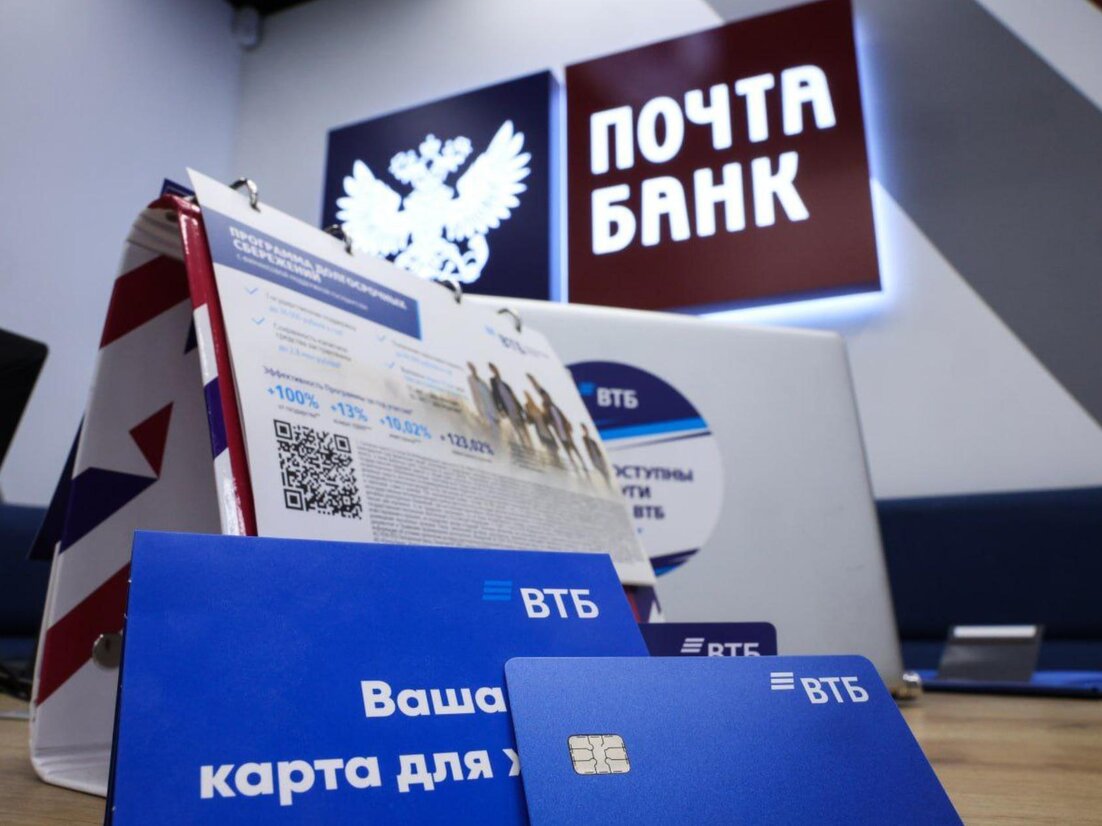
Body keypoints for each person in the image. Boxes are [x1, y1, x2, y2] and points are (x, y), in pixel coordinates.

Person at [539, 387, 586, 474]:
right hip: (559, 433)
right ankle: (576, 469)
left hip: (565, 430)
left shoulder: (554, 406)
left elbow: (563, 416)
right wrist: (547, 413)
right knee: (568, 451)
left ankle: (583, 465)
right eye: (544, 397)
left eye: (546, 396)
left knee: (575, 448)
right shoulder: (546, 408)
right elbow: (547, 421)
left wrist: (568, 424)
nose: (546, 397)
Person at [489, 363, 531, 448]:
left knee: (524, 428)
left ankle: (530, 444)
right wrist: (500, 410)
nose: (497, 373)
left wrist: (521, 409)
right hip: (508, 411)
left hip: (516, 409)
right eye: (494, 370)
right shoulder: (495, 387)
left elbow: (514, 397)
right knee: (517, 429)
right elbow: (495, 399)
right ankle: (524, 445)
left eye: (497, 370)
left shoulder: (505, 384)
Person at [524, 390, 561, 465]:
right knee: (548, 448)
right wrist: (528, 414)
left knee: (554, 448)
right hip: (541, 432)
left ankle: (558, 461)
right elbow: (529, 422)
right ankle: (554, 462)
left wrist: (548, 417)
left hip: (546, 430)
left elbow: (546, 419)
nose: (528, 398)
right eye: (527, 397)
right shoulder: (529, 412)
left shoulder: (538, 408)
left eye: (529, 396)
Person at [466, 362, 499, 435]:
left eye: (473, 367)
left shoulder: (482, 381)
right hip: (484, 407)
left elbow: (490, 394)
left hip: (492, 407)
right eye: (471, 367)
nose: (473, 368)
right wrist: (479, 409)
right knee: (491, 425)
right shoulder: (470, 379)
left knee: (496, 424)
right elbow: (474, 394)